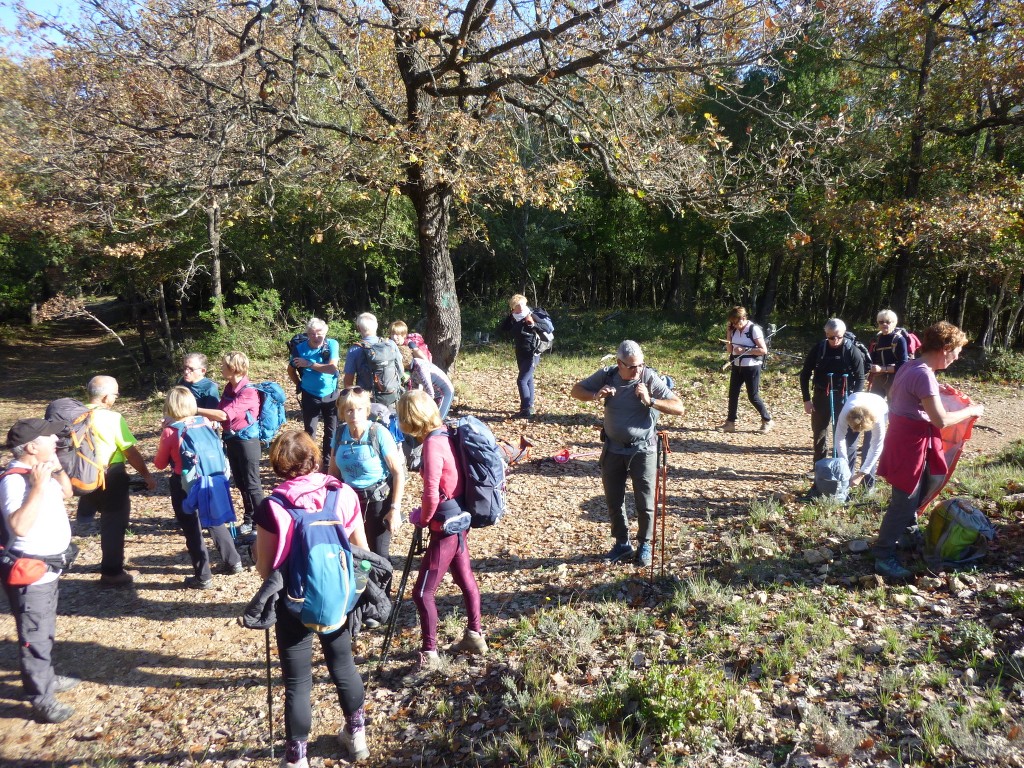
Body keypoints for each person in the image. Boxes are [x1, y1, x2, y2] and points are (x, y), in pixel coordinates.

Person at [253, 430, 370, 766]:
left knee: (298, 680)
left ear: (278, 466)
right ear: (315, 458)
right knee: (343, 664)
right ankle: (357, 736)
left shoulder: (272, 507)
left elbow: (265, 568)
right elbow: (362, 551)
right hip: (337, 596)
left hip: (293, 601)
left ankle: (297, 757)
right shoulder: (343, 493)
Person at [872, 322, 984, 582]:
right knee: (904, 500)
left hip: (909, 438)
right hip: (910, 443)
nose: (958, 356)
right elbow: (941, 420)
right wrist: (972, 410)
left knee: (927, 482)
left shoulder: (912, 366)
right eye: (956, 350)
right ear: (945, 348)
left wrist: (933, 390)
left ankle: (909, 533)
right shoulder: (922, 373)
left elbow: (897, 392)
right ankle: (883, 554)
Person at [569, 340, 685, 567]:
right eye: (632, 367)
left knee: (645, 501)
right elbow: (576, 391)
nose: (637, 370)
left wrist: (650, 400)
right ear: (618, 363)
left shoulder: (649, 378)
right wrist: (596, 395)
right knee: (614, 500)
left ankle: (645, 545)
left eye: (640, 365)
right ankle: (622, 543)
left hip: (644, 450)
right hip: (612, 448)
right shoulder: (607, 375)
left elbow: (679, 407)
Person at [396, 390, 487, 668]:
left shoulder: (432, 445)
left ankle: (430, 653)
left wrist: (421, 519)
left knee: (422, 592)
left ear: (411, 419)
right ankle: (475, 634)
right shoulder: (446, 433)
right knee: (464, 577)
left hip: (444, 525)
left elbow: (431, 494)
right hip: (460, 518)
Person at [2, 418, 80, 723]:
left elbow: (68, 493)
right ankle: (41, 698)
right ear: (32, 446)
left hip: (47, 569)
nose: (56, 441)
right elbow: (19, 526)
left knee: (44, 629)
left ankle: (45, 679)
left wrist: (56, 467)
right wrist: (35, 487)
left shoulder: (41, 470)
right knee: (34, 635)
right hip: (30, 573)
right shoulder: (15, 480)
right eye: (49, 438)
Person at [154, 387, 242, 588]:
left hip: (184, 482)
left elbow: (159, 463)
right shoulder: (205, 422)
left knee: (192, 527)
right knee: (214, 520)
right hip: (211, 478)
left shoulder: (171, 431)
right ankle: (233, 561)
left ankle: (203, 576)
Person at [76, 376, 157, 587]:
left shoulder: (74, 414)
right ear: (105, 397)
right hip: (111, 474)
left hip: (83, 474)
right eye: (115, 394)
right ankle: (112, 572)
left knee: (101, 517)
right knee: (113, 523)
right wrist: (147, 475)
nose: (116, 398)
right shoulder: (112, 418)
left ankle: (87, 521)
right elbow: (129, 451)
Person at [328, 387, 406, 560]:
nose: (354, 414)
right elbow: (333, 472)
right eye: (349, 410)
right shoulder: (340, 433)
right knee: (354, 554)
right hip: (349, 501)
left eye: (359, 409)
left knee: (378, 555)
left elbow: (398, 472)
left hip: (377, 501)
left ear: (367, 410)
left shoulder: (378, 433)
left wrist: (394, 509)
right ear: (342, 412)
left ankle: (381, 587)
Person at [198, 352, 263, 536]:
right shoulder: (229, 388)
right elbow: (219, 411)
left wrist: (193, 409)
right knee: (241, 483)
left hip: (247, 442)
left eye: (223, 365)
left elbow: (225, 414)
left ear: (233, 368)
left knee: (252, 484)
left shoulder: (249, 391)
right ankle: (250, 519)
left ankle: (262, 523)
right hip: (232, 439)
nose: (220, 368)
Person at [799, 319, 867, 468]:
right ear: (826, 334)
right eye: (831, 337)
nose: (835, 340)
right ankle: (819, 467)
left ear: (843, 334)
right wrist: (806, 400)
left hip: (845, 396)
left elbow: (860, 378)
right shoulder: (819, 348)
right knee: (819, 431)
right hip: (821, 394)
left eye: (839, 337)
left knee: (843, 432)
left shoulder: (852, 350)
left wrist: (853, 401)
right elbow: (804, 374)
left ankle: (842, 467)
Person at [288, 317, 341, 464]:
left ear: (326, 332)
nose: (316, 336)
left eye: (319, 333)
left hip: (331, 394)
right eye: (312, 333)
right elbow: (290, 369)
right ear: (307, 334)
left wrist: (309, 364)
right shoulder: (300, 349)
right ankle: (311, 462)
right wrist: (298, 384)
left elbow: (332, 369)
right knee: (310, 431)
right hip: (309, 394)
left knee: (332, 430)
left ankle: (329, 462)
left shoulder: (332, 345)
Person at [497, 294, 554, 419]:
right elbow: (504, 328)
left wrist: (533, 325)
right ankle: (530, 406)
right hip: (520, 352)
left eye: (523, 304)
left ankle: (525, 410)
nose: (521, 308)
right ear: (513, 308)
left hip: (532, 353)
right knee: (528, 380)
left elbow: (548, 328)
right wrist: (511, 316)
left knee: (521, 380)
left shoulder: (531, 314)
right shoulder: (514, 318)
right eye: (518, 306)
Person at [718, 306, 773, 434]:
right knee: (733, 394)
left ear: (743, 318)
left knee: (752, 396)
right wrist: (728, 332)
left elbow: (763, 350)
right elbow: (730, 350)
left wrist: (745, 350)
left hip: (752, 366)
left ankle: (767, 420)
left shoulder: (754, 329)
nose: (736, 325)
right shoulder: (734, 330)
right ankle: (730, 423)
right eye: (733, 323)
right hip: (737, 365)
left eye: (737, 322)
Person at [343, 312, 403, 409]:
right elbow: (400, 370)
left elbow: (348, 380)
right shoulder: (390, 344)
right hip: (391, 396)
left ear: (358, 328)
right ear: (377, 325)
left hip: (366, 399)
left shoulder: (354, 349)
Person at [833, 391, 888, 489]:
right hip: (856, 398)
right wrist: (844, 462)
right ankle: (847, 481)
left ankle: (868, 486)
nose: (855, 431)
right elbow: (839, 438)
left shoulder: (877, 418)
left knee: (868, 448)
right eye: (853, 427)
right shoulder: (846, 413)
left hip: (878, 403)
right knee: (849, 444)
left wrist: (861, 474)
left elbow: (876, 447)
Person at [399, 345, 455, 420]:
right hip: (435, 393)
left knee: (438, 421)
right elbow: (414, 389)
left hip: (445, 392)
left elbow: (430, 393)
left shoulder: (420, 369)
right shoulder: (411, 368)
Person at [868, 309, 909, 399]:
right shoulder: (876, 339)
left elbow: (903, 364)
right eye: (881, 322)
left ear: (894, 323)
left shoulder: (899, 340)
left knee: (894, 407)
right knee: (874, 406)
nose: (884, 324)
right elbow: (872, 359)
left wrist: (882, 369)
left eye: (888, 322)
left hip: (895, 378)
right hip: (878, 378)